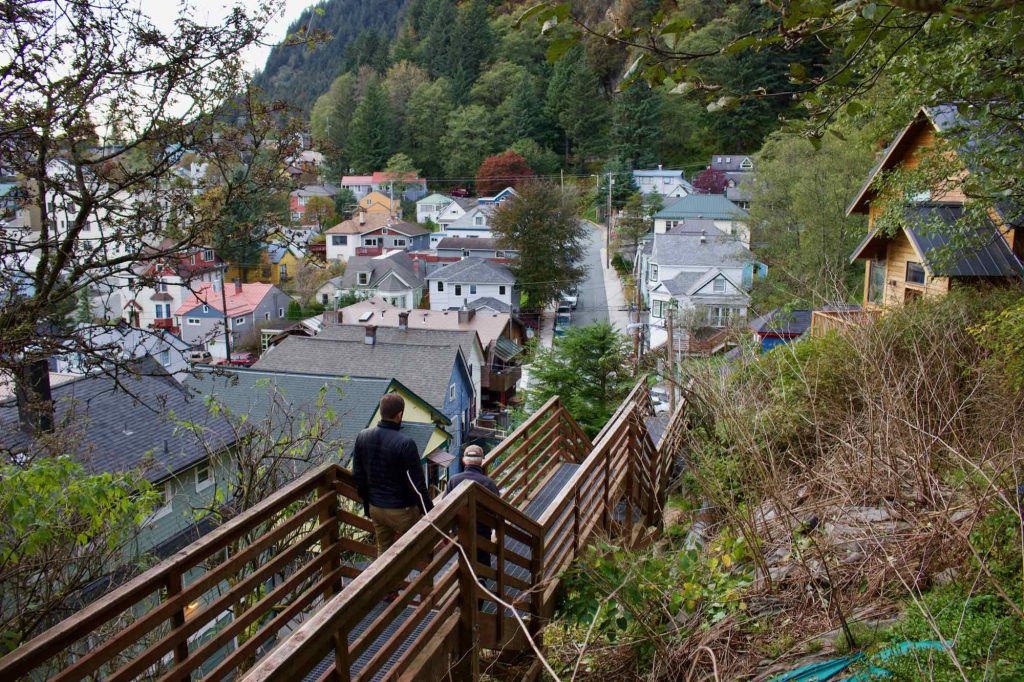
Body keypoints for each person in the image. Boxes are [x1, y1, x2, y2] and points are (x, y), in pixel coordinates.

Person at [352, 393, 433, 556]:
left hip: (375, 508)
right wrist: (430, 511)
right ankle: (422, 580)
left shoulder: (363, 436)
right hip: (401, 511)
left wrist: (368, 504)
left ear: (381, 412)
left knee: (384, 552)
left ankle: (386, 581)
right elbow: (418, 485)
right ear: (399, 415)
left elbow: (358, 476)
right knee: (423, 547)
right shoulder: (405, 443)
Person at [445, 445, 500, 569]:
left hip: (460, 530)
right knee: (482, 560)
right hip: (482, 532)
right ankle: (481, 579)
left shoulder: (454, 480)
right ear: (481, 461)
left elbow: (445, 508)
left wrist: (449, 530)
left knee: (464, 558)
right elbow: (497, 511)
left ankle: (465, 579)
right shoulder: (489, 483)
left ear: (464, 460)